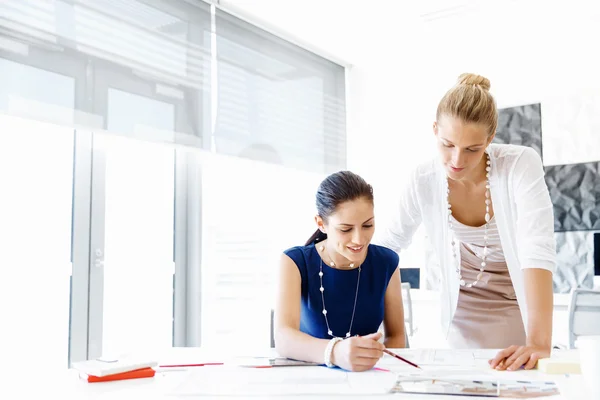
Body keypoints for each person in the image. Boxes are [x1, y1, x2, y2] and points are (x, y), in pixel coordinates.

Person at [377, 73, 556, 371]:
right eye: (447, 144)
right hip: (462, 306)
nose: (457, 160)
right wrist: (390, 333)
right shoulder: (423, 179)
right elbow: (387, 246)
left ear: (490, 138)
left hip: (516, 298)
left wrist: (538, 342)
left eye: (472, 149)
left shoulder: (520, 164)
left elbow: (536, 246)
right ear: (434, 130)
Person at [274, 171, 406, 372]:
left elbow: (396, 337)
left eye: (367, 225)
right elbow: (284, 338)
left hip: (366, 377)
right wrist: (336, 352)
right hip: (309, 378)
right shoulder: (295, 261)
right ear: (321, 224)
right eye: (345, 229)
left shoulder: (387, 262)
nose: (359, 239)